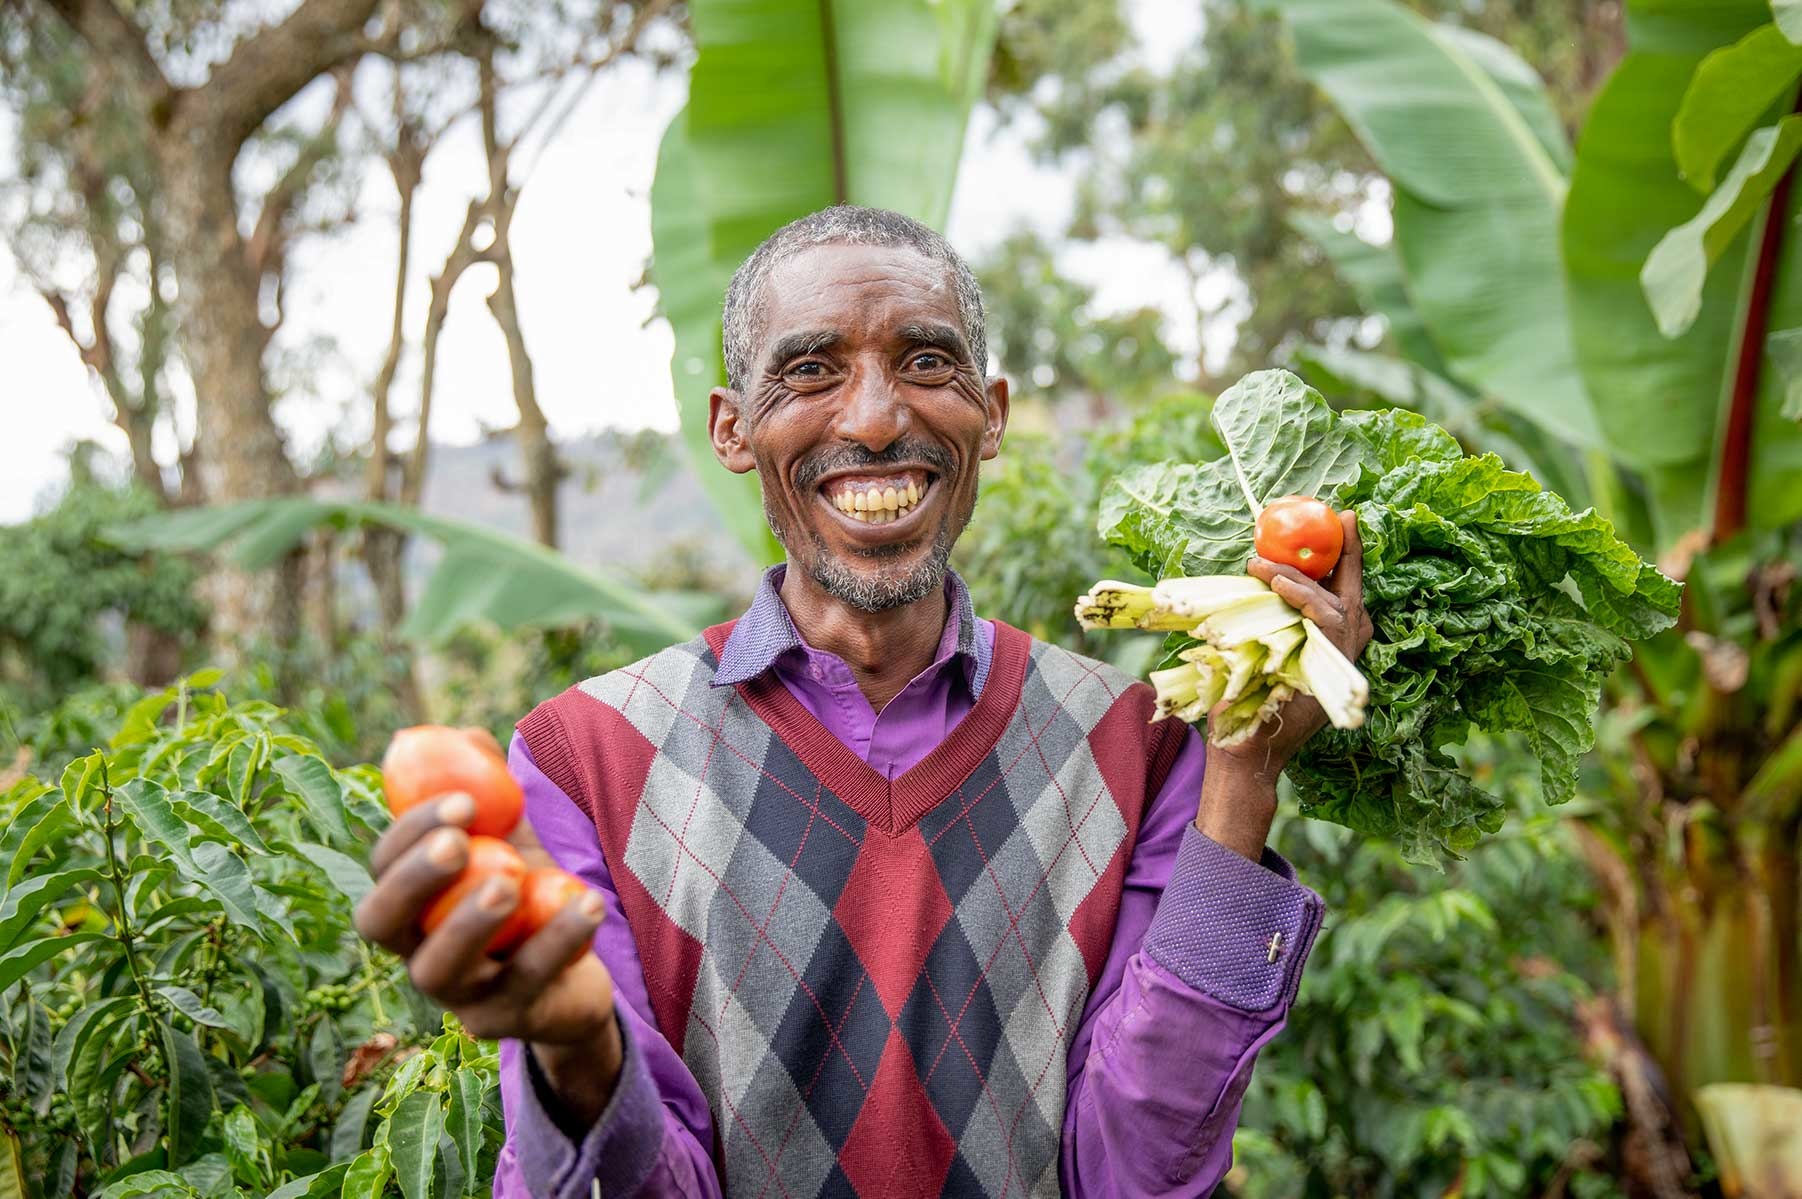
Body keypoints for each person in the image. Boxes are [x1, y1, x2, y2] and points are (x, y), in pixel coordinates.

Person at [354, 205, 1372, 1198]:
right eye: (809, 370)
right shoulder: (586, 756)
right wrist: (579, 1049)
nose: (877, 418)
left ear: (994, 411)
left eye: (927, 362)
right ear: (731, 427)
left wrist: (1242, 775)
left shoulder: (1133, 741)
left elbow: (1134, 1174)